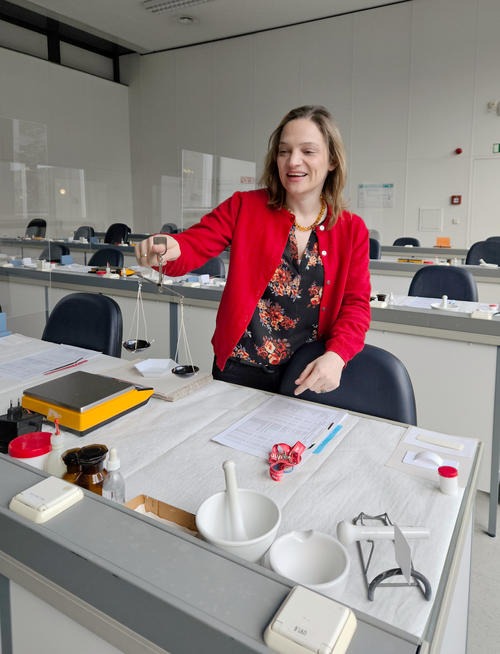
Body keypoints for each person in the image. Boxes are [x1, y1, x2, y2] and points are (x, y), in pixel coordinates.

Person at [135, 105, 371, 396]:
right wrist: (167, 247)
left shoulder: (351, 228)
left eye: (308, 151)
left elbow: (356, 305)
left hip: (307, 374)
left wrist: (338, 355)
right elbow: (193, 244)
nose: (293, 161)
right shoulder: (244, 207)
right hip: (238, 368)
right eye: (284, 151)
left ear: (332, 160)